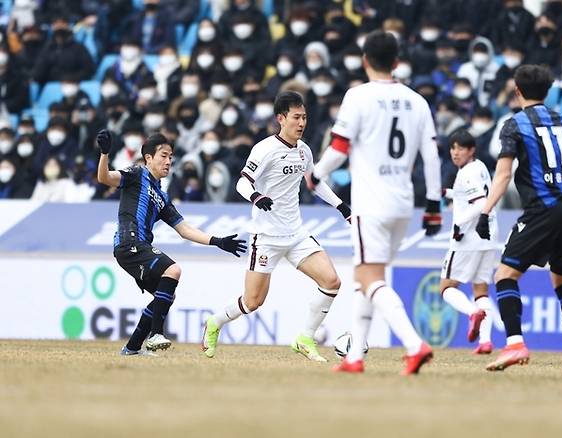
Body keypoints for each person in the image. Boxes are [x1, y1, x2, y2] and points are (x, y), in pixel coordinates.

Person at [308, 30, 442, 375]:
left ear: (365, 60)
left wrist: (316, 174)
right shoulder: (418, 101)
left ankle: (415, 345)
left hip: (371, 203)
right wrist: (433, 206)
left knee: (370, 278)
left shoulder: (358, 96)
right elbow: (431, 157)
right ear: (397, 62)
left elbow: (339, 148)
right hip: (404, 205)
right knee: (365, 277)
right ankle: (354, 357)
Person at [475, 64, 562, 373]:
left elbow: (503, 175)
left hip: (543, 208)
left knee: (505, 276)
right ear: (547, 92)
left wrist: (485, 210)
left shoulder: (514, 125)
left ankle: (515, 344)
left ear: (517, 91)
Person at [202, 91, 351, 362]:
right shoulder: (265, 149)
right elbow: (241, 183)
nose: (301, 122)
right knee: (252, 302)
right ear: (281, 119)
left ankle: (305, 338)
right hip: (267, 237)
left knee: (332, 281)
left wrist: (342, 207)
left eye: (304, 117)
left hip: (296, 234)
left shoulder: (304, 150)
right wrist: (257, 197)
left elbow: (314, 183)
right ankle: (214, 323)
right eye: (296, 117)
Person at [95, 129, 247, 355]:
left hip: (139, 246)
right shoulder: (136, 174)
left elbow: (184, 229)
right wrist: (105, 153)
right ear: (148, 158)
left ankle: (132, 347)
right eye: (163, 155)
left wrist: (218, 241)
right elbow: (105, 178)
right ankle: (156, 334)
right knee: (173, 270)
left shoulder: (162, 196)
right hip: (129, 242)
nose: (169, 161)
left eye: (171, 157)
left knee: (166, 295)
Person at [439, 129, 497, 355]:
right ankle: (486, 341)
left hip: (468, 237)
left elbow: (479, 202)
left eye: (461, 148)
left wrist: (459, 224)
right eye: (453, 148)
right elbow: (472, 195)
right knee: (481, 289)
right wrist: (448, 193)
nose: (455, 153)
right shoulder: (480, 167)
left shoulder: (467, 173)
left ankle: (472, 312)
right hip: (489, 237)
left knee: (446, 288)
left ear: (471, 150)